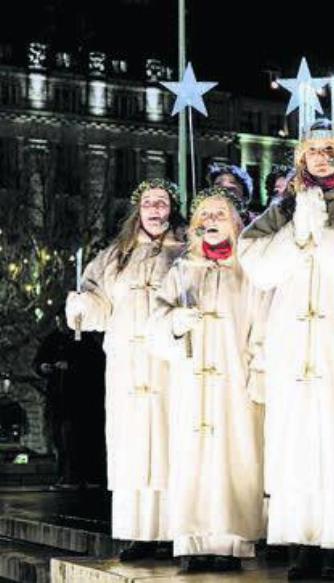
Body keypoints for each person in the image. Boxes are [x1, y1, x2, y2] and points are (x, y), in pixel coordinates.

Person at [237, 118, 334, 580]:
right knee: (294, 444)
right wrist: (297, 231)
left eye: (330, 149)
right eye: (312, 150)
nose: (321, 157)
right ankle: (300, 541)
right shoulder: (282, 208)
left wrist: (323, 231)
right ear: (300, 158)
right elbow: (257, 266)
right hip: (292, 346)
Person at [65, 178, 185, 560]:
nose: (155, 210)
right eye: (148, 202)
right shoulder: (115, 255)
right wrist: (83, 306)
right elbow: (99, 303)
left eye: (162, 202)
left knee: (170, 443)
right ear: (138, 209)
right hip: (127, 369)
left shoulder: (185, 250)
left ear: (172, 208)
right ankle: (139, 533)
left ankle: (172, 529)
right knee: (131, 446)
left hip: (168, 365)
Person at [150, 187, 266, 573]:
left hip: (234, 385)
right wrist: (175, 324)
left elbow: (262, 326)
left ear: (235, 222)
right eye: (205, 216)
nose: (211, 222)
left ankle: (229, 542)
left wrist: (257, 370)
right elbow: (156, 323)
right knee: (192, 458)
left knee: (235, 458)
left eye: (220, 214)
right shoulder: (182, 269)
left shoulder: (250, 271)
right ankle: (191, 540)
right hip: (191, 384)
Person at [33, 315, 106, 489]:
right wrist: (43, 367)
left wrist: (71, 366)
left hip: (81, 400)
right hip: (58, 399)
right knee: (62, 439)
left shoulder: (84, 339)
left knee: (78, 438)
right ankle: (67, 476)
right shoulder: (52, 339)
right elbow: (38, 361)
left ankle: (80, 477)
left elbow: (95, 364)